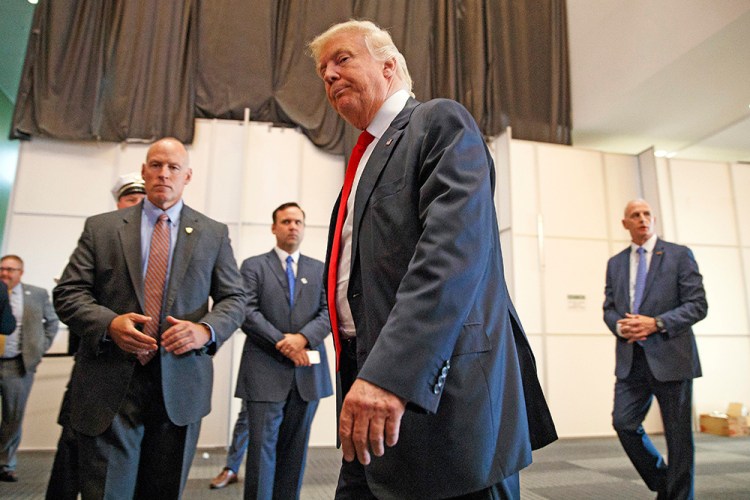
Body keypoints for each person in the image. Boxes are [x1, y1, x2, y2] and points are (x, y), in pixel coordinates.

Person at [308, 20, 557, 499]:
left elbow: (451, 256)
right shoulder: (363, 159)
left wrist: (390, 373)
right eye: (323, 71)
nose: (330, 76)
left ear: (389, 65)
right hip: (370, 382)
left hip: (439, 397)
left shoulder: (439, 121)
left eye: (342, 59)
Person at [52, 137, 245, 498]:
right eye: (156, 165)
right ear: (144, 171)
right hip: (109, 384)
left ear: (188, 176)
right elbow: (67, 293)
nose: (164, 174)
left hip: (180, 384)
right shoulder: (102, 228)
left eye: (173, 167)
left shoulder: (213, 234)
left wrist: (205, 331)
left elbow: (235, 298)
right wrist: (108, 323)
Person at [210, 202, 333, 498]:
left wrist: (301, 339)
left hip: (307, 375)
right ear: (274, 227)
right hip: (264, 372)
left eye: (298, 222)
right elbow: (247, 311)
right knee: (262, 453)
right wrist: (284, 342)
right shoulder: (253, 266)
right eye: (286, 221)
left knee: (296, 451)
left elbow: (330, 312)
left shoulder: (319, 269)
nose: (293, 226)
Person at [45, 171, 149, 498]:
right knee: (74, 455)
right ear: (120, 203)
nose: (138, 207)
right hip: (96, 370)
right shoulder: (101, 239)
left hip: (145, 378)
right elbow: (71, 297)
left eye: (142, 202)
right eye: (131, 201)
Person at [604, 199, 707, 499]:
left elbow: (697, 305)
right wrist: (621, 327)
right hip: (631, 359)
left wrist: (657, 323)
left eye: (647, 214)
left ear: (654, 219)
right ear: (625, 223)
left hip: (672, 357)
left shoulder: (678, 255)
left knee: (678, 438)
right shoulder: (615, 263)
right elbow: (609, 308)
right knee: (623, 423)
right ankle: (664, 482)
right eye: (634, 215)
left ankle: (678, 495)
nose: (642, 219)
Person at [0, 254, 59, 482]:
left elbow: (52, 322)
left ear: (20, 272)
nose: (5, 273)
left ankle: (5, 464)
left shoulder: (36, 294)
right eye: (2, 268)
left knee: (13, 418)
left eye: (10, 269)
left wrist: (39, 348)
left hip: (18, 365)